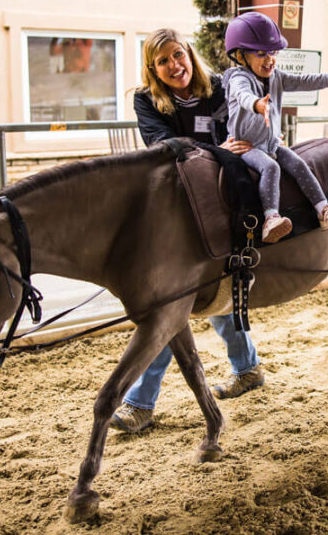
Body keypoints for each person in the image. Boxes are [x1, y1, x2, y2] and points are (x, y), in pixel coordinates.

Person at [111, 28, 264, 434]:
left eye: (178, 55)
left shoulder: (216, 87)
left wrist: (230, 144)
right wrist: (215, 149)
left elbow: (242, 127)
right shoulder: (145, 100)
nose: (174, 65)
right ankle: (247, 367)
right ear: (153, 69)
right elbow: (163, 144)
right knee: (192, 293)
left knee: (180, 299)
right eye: (163, 61)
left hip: (223, 194)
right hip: (178, 203)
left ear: (189, 54)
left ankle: (140, 404)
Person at [223, 12, 328, 243]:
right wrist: (257, 104)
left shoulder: (276, 76)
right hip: (247, 147)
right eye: (261, 53)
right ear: (240, 56)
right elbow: (243, 95)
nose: (270, 59)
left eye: (273, 52)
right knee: (271, 168)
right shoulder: (239, 78)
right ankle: (271, 218)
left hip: (271, 143)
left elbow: (304, 80)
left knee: (298, 163)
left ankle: (324, 210)